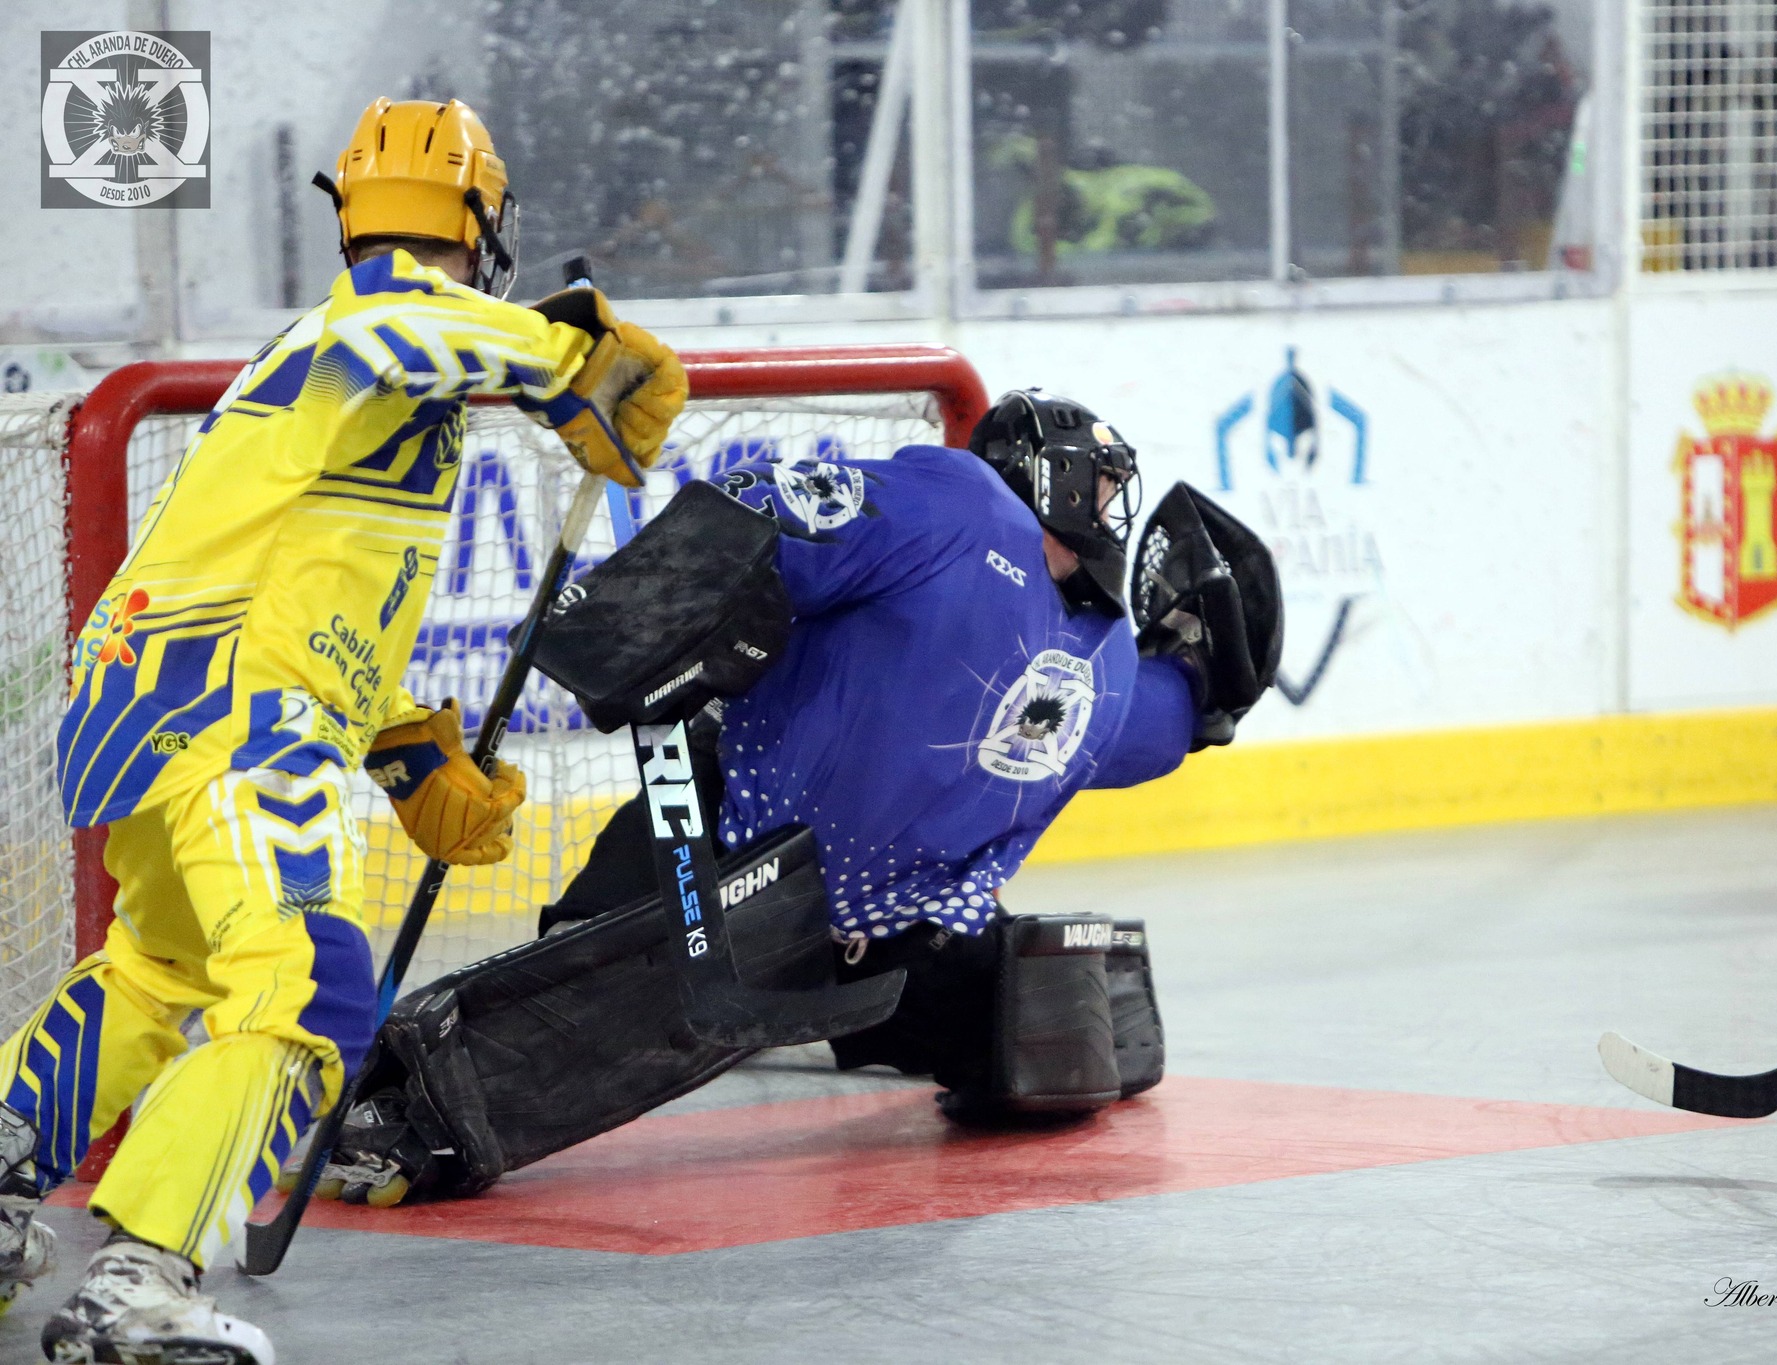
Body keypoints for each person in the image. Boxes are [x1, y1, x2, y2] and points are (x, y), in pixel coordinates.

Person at [0, 97, 685, 1364]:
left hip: (163, 699)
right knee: (310, 986)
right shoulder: (377, 329)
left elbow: (313, 587)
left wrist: (402, 746)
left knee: (160, 972)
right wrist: (563, 353)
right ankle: (138, 1283)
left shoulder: (365, 377)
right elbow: (402, 321)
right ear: (480, 226)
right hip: (236, 711)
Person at [297, 390, 1282, 1208]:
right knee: (578, 994)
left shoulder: (1109, 656)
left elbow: (1172, 720)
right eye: (1097, 481)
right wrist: (647, 614)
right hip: (731, 849)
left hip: (897, 942)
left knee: (1047, 1049)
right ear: (1039, 471)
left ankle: (812, 1012)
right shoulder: (964, 505)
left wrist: (1211, 678)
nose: (1109, 506)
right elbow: (771, 506)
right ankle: (392, 1104)